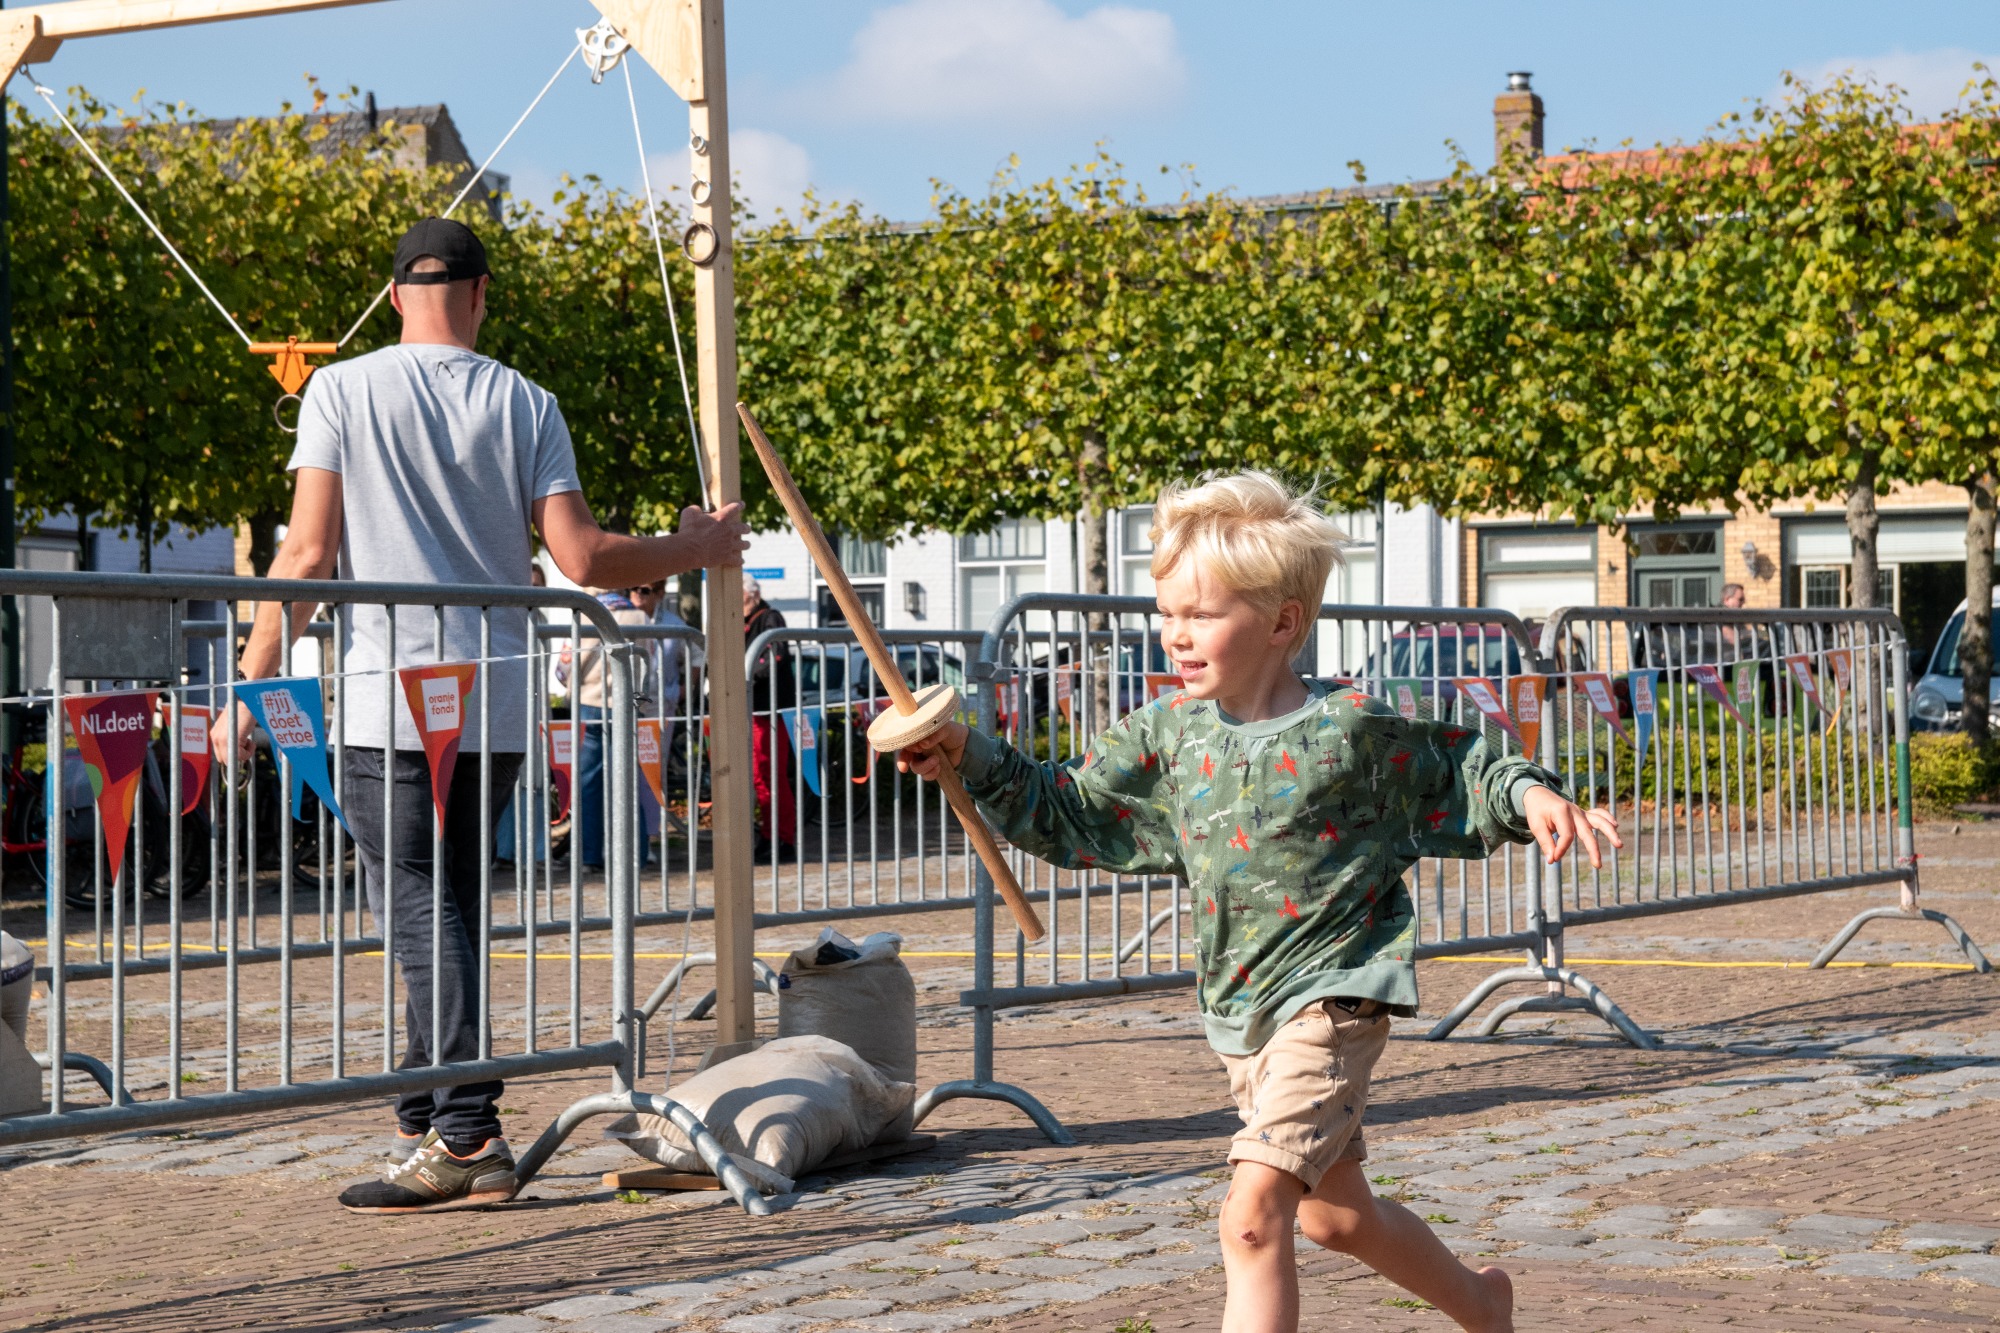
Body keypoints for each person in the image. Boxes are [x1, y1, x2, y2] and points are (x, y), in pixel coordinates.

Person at [899, 473, 1618, 1333]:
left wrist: (1529, 793)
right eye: (1168, 613)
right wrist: (965, 751)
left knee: (1251, 1216)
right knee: (1335, 1216)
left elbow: (1461, 767)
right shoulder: (1167, 732)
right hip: (1243, 1015)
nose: (1177, 634)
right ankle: (1483, 1302)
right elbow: (1069, 807)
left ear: (1282, 623)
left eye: (1202, 614)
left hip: (1334, 1001)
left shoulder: (1348, 729)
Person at [215, 217, 747, 1214]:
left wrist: (253, 681)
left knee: (418, 906)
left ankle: (466, 1133)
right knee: (447, 903)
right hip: (494, 699)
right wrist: (698, 546)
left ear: (391, 295)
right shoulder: (525, 400)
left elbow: (307, 554)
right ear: (481, 293)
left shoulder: (340, 388)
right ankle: (425, 1120)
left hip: (389, 698)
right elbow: (583, 558)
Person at [743, 579, 796, 859]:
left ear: (753, 595)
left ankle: (783, 839)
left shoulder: (770, 618)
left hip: (772, 709)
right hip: (754, 709)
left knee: (772, 774)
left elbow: (776, 656)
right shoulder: (742, 621)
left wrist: (746, 677)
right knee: (760, 776)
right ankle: (768, 834)